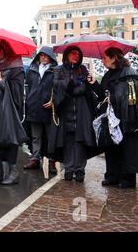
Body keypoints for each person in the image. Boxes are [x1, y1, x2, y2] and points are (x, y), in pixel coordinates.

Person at [91, 47, 138, 188]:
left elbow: (132, 96)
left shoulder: (129, 74)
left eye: (105, 58)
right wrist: (94, 85)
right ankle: (112, 176)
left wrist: (113, 99)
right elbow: (103, 94)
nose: (102, 61)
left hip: (127, 119)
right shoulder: (108, 75)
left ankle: (127, 179)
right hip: (111, 119)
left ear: (113, 58)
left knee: (127, 148)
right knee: (111, 148)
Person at [49, 46, 98, 182]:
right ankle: (69, 169)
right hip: (65, 109)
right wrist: (70, 84)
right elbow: (56, 85)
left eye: (78, 54)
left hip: (82, 111)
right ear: (66, 55)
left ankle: (80, 170)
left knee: (80, 140)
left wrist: (80, 85)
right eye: (73, 53)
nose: (76, 56)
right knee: (67, 140)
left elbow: (83, 88)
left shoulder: (82, 69)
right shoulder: (59, 69)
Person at [0, 39, 26, 186]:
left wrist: (1, 80)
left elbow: (17, 91)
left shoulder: (16, 66)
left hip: (8, 109)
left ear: (5, 50)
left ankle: (13, 171)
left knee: (9, 138)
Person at [23, 47, 58, 172]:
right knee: (35, 136)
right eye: (41, 55)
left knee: (50, 136)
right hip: (34, 108)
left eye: (45, 55)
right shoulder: (32, 70)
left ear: (50, 57)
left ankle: (52, 161)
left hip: (49, 109)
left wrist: (54, 101)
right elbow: (28, 87)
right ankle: (35, 159)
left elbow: (58, 89)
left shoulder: (55, 71)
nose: (43, 57)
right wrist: (28, 102)